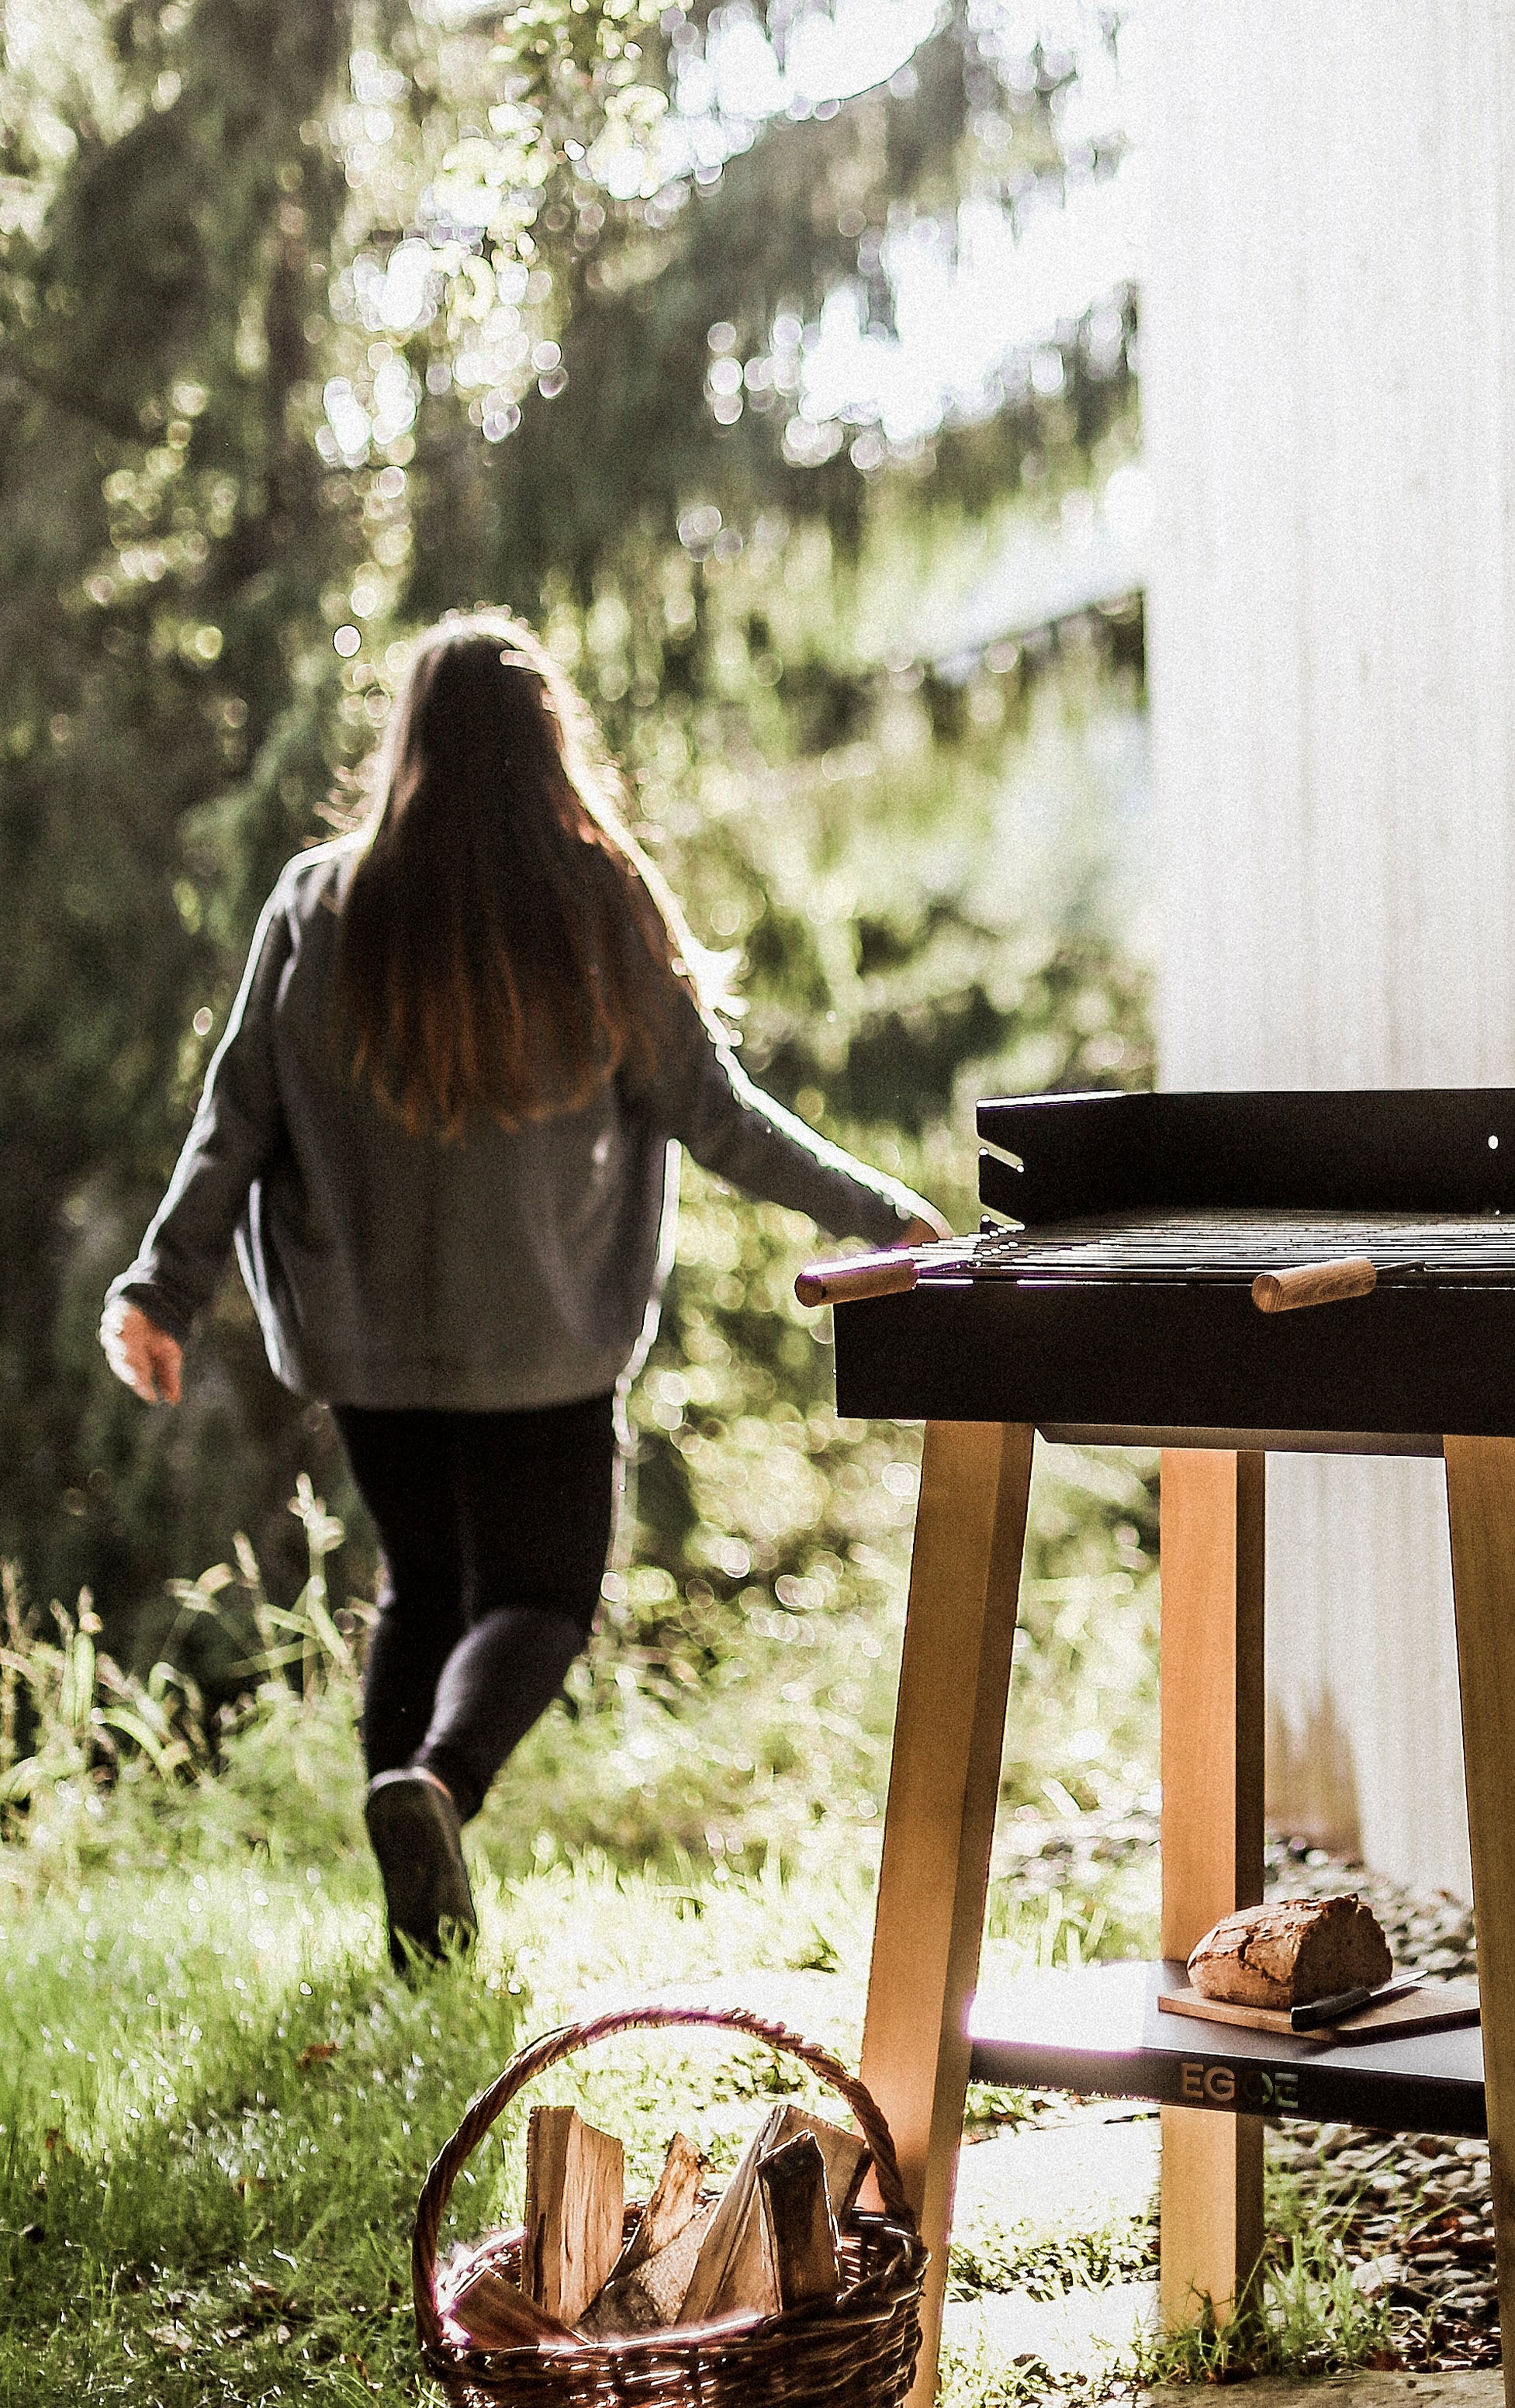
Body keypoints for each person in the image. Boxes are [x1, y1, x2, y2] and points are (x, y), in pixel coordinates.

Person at [101, 612, 939, 1967]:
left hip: (365, 1347)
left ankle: (415, 1917)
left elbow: (233, 1117)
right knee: (540, 1600)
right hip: (544, 1346)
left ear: (407, 742)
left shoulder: (320, 901)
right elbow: (715, 1113)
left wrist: (160, 1288)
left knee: (423, 1585)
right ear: (552, 741)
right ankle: (439, 1785)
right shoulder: (597, 903)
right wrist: (877, 1208)